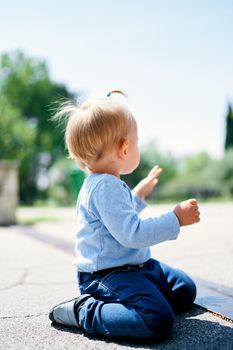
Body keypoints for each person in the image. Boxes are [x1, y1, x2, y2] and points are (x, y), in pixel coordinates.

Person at [49, 90, 200, 341]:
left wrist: (138, 194)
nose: (137, 146)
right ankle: (85, 310)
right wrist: (175, 218)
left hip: (139, 268)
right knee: (157, 320)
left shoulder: (106, 183)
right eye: (137, 141)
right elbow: (132, 233)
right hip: (108, 276)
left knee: (184, 290)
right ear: (125, 148)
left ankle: (138, 298)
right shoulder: (104, 186)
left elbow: (118, 218)